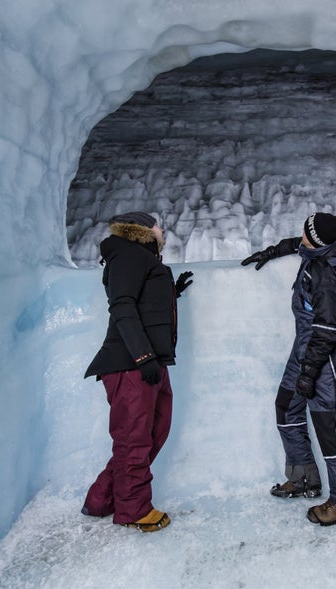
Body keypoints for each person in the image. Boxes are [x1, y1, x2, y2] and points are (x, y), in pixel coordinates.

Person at [241, 212, 336, 526]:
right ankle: (304, 477)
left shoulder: (326, 276)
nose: (301, 235)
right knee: (287, 406)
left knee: (331, 426)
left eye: (306, 230)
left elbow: (328, 331)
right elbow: (298, 244)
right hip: (306, 349)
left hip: (326, 355)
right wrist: (272, 251)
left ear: (316, 239)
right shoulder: (319, 250)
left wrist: (309, 372)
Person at [81, 211, 193, 532]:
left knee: (155, 430)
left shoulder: (139, 258)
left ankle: (103, 497)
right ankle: (134, 509)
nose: (162, 229)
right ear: (142, 229)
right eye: (157, 224)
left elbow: (143, 300)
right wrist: (143, 356)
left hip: (148, 362)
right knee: (134, 438)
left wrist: (172, 291)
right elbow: (122, 305)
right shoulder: (127, 255)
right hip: (132, 364)